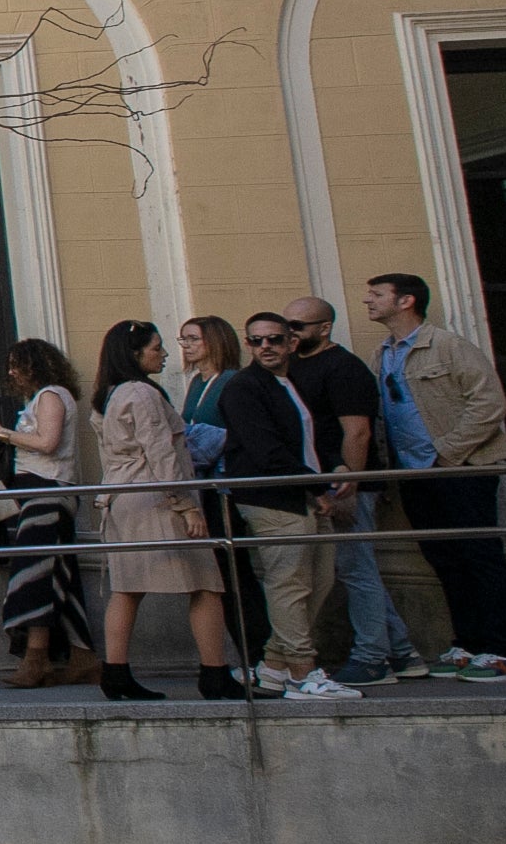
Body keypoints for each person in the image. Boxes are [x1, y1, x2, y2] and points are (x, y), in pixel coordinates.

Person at [367, 273, 506, 683]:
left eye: (377, 294)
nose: (369, 301)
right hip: (413, 473)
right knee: (445, 559)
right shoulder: (382, 354)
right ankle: (470, 645)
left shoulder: (447, 345)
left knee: (480, 557)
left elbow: (489, 402)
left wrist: (447, 452)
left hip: (461, 469)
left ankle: (505, 653)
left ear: (406, 301)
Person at [87, 322, 254, 702]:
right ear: (134, 354)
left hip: (123, 497)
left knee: (127, 588)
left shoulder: (109, 394)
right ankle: (214, 673)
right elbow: (161, 452)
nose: (164, 354)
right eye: (156, 347)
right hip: (155, 497)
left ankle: (115, 673)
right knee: (207, 584)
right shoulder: (142, 393)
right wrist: (186, 505)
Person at [217, 313, 359, 700]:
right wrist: (318, 488)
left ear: (291, 343)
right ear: (248, 345)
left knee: (319, 582)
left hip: (306, 495)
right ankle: (302, 672)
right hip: (274, 499)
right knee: (290, 585)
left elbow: (314, 437)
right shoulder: (244, 387)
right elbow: (267, 452)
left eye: (274, 339)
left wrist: (336, 466)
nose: (265, 346)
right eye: (256, 340)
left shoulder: (294, 382)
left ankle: (276, 666)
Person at [283, 294, 423, 686]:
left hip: (347, 482)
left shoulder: (343, 368)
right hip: (323, 481)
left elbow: (357, 433)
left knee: (356, 569)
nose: (288, 333)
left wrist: (349, 486)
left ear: (324, 328)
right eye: (285, 324)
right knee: (354, 567)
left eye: (298, 326)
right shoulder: (294, 365)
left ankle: (373, 658)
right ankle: (403, 652)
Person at [0, 338, 97, 688]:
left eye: (19, 365)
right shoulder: (44, 397)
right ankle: (82, 655)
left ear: (37, 365)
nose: (12, 372)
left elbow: (47, 442)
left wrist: (2, 434)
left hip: (48, 492)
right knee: (60, 573)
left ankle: (36, 658)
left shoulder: (51, 395)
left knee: (34, 574)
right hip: (41, 493)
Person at [178, 314, 274, 667]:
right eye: (183, 339)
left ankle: (260, 655)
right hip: (204, 486)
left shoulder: (232, 381)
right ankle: (251, 655)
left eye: (193, 339)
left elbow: (225, 435)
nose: (186, 346)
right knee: (222, 573)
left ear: (215, 341)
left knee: (236, 573)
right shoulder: (196, 383)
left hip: (225, 488)